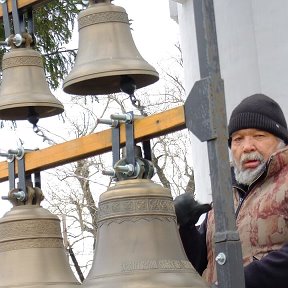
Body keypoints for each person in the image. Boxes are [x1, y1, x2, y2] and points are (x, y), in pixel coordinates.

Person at [174, 94, 288, 288]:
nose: (247, 147)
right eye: (237, 139)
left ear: (281, 141)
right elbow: (199, 263)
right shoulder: (225, 196)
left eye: (259, 136)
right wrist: (185, 228)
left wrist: (236, 282)